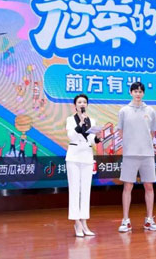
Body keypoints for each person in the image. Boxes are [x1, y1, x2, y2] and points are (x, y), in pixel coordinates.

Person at [117, 82, 156, 233]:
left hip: (147, 154)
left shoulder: (150, 110)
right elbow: (120, 132)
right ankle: (125, 221)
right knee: (127, 186)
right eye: (135, 91)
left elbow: (153, 132)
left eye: (140, 91)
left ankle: (149, 220)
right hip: (130, 154)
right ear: (130, 92)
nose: (138, 94)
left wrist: (144, 144)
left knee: (149, 186)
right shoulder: (124, 111)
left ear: (143, 93)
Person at [66, 93, 101, 237]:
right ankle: (77, 223)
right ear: (75, 105)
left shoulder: (91, 120)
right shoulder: (70, 119)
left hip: (87, 156)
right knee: (75, 190)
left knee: (86, 190)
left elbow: (91, 139)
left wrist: (97, 138)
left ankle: (84, 222)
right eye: (79, 102)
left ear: (87, 105)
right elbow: (71, 136)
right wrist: (79, 124)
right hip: (74, 156)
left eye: (84, 102)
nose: (82, 104)